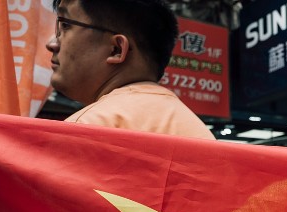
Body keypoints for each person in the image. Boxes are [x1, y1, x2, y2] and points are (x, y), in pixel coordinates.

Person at [46, 0, 214, 140]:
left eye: (66, 25)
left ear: (116, 49)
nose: (52, 43)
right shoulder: (200, 133)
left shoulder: (86, 129)